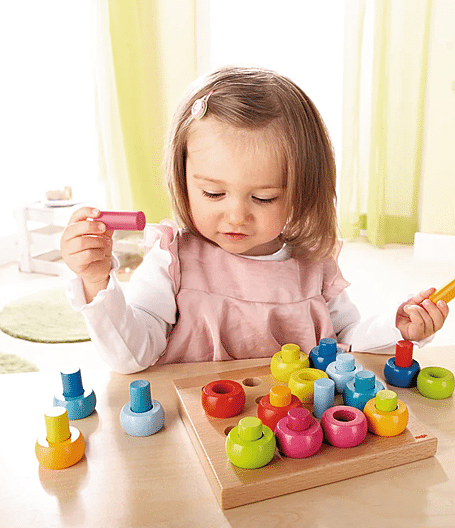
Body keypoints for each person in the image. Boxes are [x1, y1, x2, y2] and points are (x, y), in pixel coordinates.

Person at [60, 66, 449, 374]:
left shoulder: (313, 265)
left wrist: (398, 328)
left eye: (264, 198)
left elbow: (349, 340)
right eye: (213, 193)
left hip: (293, 436)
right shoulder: (172, 261)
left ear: (300, 191)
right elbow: (132, 356)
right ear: (183, 177)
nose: (236, 216)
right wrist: (96, 282)